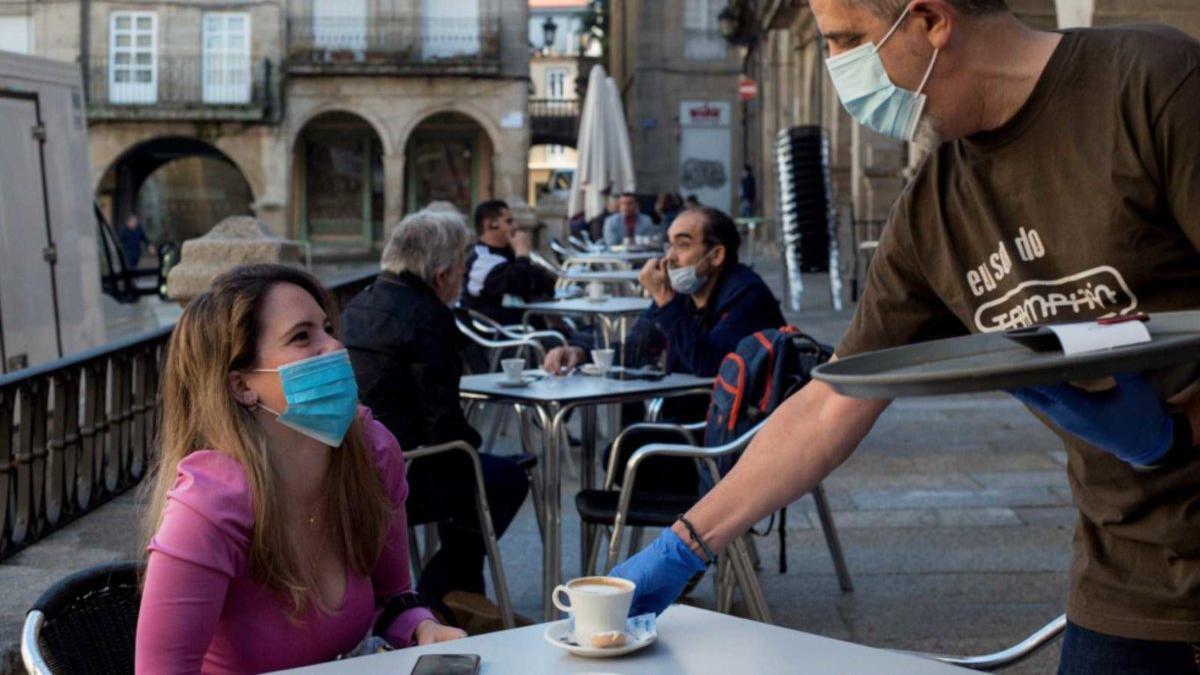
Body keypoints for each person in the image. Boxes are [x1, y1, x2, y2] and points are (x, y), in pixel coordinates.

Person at [610, 2, 1200, 673]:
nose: (837, 69)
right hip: (1125, 580)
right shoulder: (934, 208)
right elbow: (834, 403)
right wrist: (685, 544)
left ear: (930, 18)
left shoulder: (1153, 83)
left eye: (847, 41)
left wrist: (1177, 429)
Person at [136, 264, 465, 674]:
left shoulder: (373, 453)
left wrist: (422, 627)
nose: (335, 348)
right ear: (242, 386)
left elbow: (393, 597)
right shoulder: (211, 506)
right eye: (302, 337)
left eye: (328, 329)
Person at [340, 210, 530, 632]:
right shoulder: (429, 316)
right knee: (506, 479)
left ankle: (460, 599)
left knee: (484, 472)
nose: (464, 275)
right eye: (463, 266)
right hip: (406, 471)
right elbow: (443, 426)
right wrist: (473, 443)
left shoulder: (360, 302)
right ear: (443, 274)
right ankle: (434, 595)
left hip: (357, 463)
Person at [545, 207, 785, 492]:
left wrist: (664, 302)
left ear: (717, 255)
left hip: (730, 444)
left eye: (682, 245)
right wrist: (581, 352)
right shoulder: (683, 295)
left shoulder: (746, 296)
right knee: (622, 451)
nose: (670, 257)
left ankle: (689, 531)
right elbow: (636, 349)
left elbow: (707, 364)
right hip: (689, 425)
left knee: (625, 454)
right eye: (669, 244)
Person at [461, 199, 557, 326]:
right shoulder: (481, 260)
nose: (516, 226)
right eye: (509, 222)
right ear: (491, 225)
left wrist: (523, 259)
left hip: (532, 330)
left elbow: (547, 283)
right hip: (510, 338)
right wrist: (522, 255)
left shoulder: (510, 253)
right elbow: (519, 283)